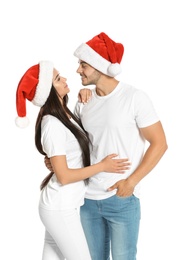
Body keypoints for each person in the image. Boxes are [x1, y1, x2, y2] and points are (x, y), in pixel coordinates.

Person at [15, 60, 131, 260]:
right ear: (48, 91)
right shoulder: (52, 123)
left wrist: (85, 94)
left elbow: (69, 158)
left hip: (60, 205)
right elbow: (64, 177)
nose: (66, 79)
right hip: (60, 207)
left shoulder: (65, 115)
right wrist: (102, 166)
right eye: (58, 79)